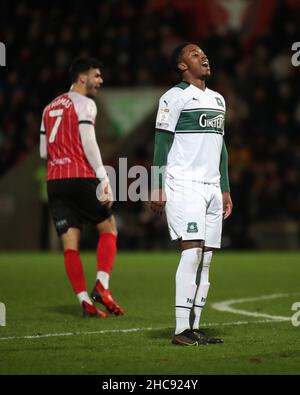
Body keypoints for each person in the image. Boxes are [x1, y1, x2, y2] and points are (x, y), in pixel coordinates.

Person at [151, 43, 233, 345]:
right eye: (194, 54)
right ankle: (180, 329)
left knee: (207, 259)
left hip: (212, 187)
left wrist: (224, 188)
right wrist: (157, 184)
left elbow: (220, 146)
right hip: (183, 183)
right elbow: (161, 142)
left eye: (203, 53)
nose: (203, 56)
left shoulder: (218, 100)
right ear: (182, 66)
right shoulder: (173, 98)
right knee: (192, 251)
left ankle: (195, 327)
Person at [39, 57, 124, 318]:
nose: (100, 80)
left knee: (70, 244)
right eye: (96, 75)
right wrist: (104, 178)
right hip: (81, 176)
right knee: (108, 228)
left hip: (55, 181)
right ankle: (102, 285)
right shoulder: (86, 104)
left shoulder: (48, 108)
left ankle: (84, 301)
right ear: (81, 78)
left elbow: (44, 152)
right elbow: (89, 142)